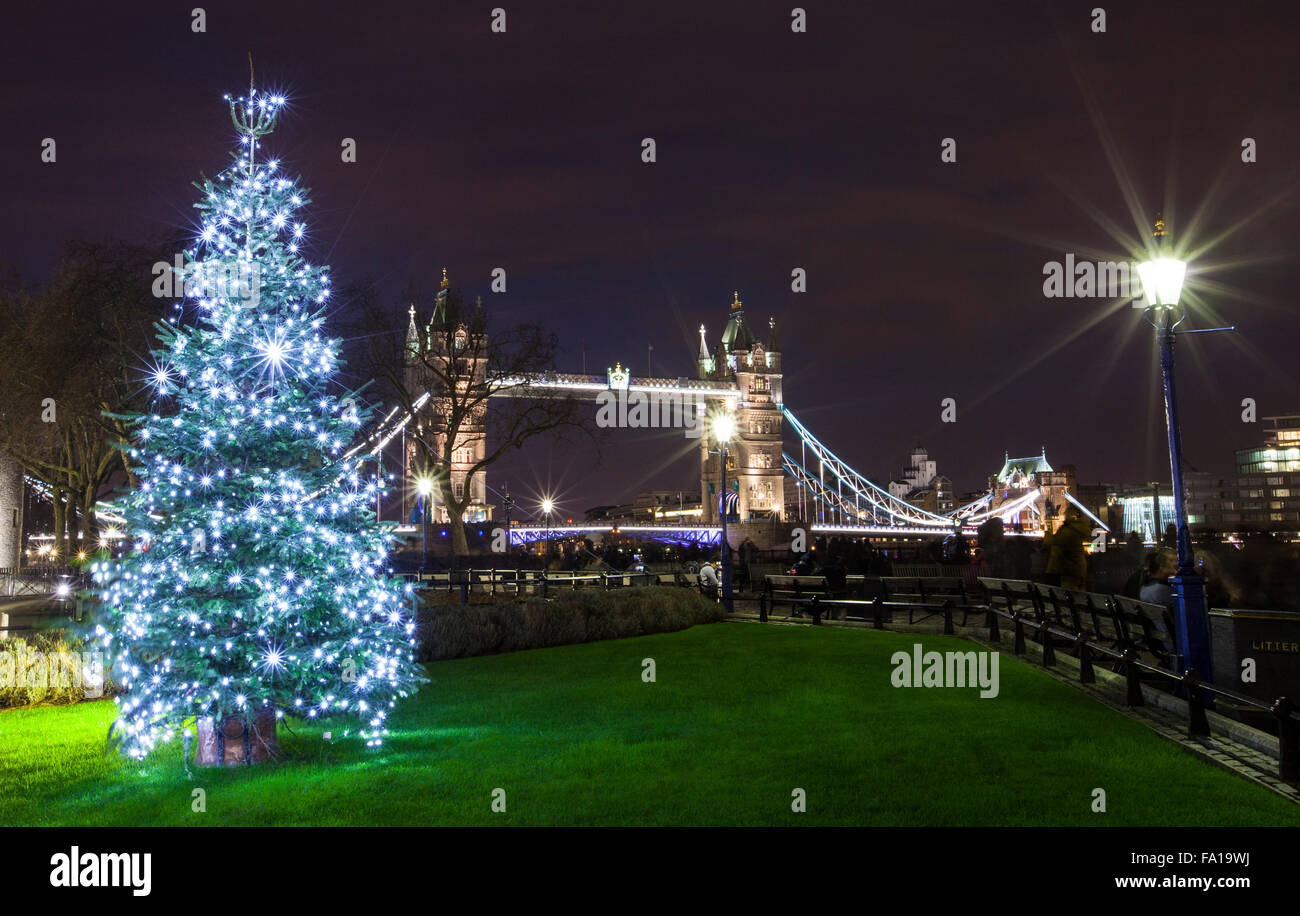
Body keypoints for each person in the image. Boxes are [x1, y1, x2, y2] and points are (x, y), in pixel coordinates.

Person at [1045, 508, 1090, 590]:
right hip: (1078, 569)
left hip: (1068, 570)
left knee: (1069, 593)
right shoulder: (1077, 529)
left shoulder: (1068, 530)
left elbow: (1054, 542)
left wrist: (1047, 534)